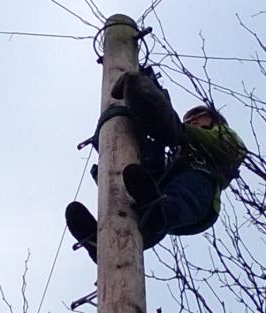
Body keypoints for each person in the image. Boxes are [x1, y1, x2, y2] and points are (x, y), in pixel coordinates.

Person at [65, 71, 246, 264]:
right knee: (146, 197)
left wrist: (182, 131)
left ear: (215, 120)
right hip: (164, 187)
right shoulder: (178, 151)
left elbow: (232, 149)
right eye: (188, 118)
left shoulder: (224, 136)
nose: (192, 120)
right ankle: (105, 243)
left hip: (199, 186)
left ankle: (157, 211)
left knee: (179, 195)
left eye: (198, 116)